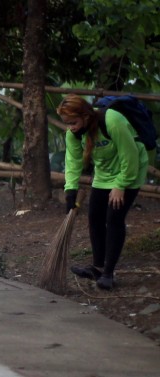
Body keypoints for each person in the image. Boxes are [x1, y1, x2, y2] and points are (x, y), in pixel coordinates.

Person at [57, 94, 149, 290]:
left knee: (114, 218)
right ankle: (97, 268)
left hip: (130, 170)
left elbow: (130, 155)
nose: (70, 127)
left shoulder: (111, 121)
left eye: (73, 122)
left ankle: (108, 273)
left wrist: (121, 185)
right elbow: (72, 162)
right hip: (104, 173)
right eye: (67, 124)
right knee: (95, 218)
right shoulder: (73, 133)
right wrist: (70, 191)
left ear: (86, 116)